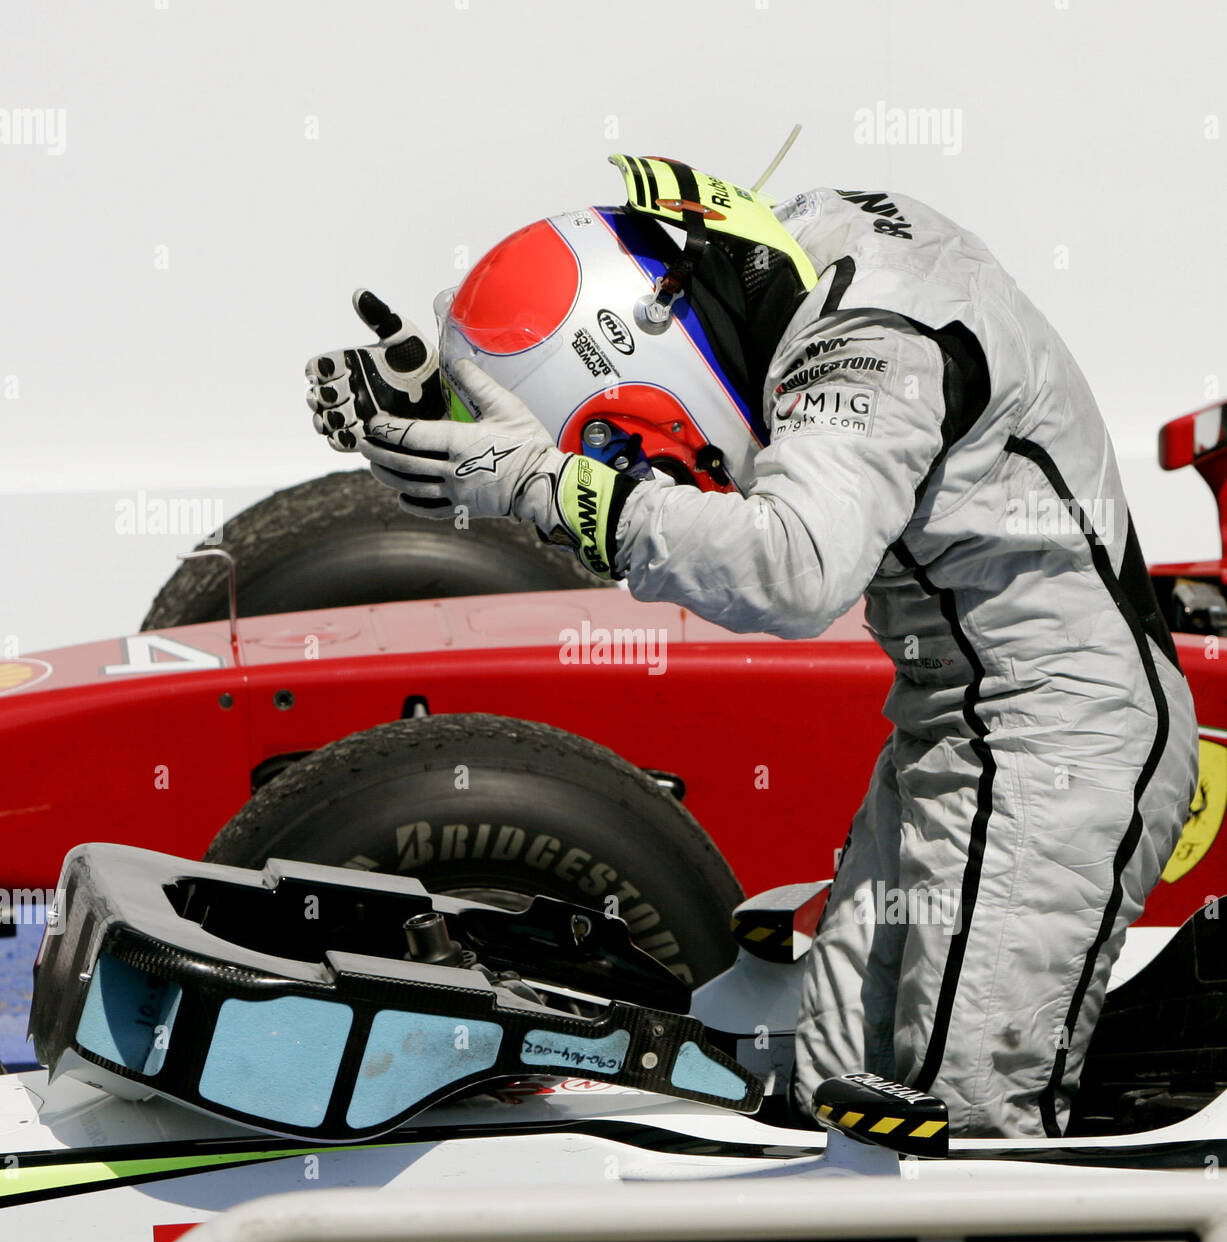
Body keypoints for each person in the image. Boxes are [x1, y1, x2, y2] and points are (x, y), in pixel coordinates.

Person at [306, 154, 1197, 1138]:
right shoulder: (765, 261)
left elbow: (795, 566)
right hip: (961, 730)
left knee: (964, 1128)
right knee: (835, 1093)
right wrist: (445, 417)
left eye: (616, 444)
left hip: (1055, 745)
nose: (640, 474)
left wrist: (544, 486)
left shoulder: (869, 339)